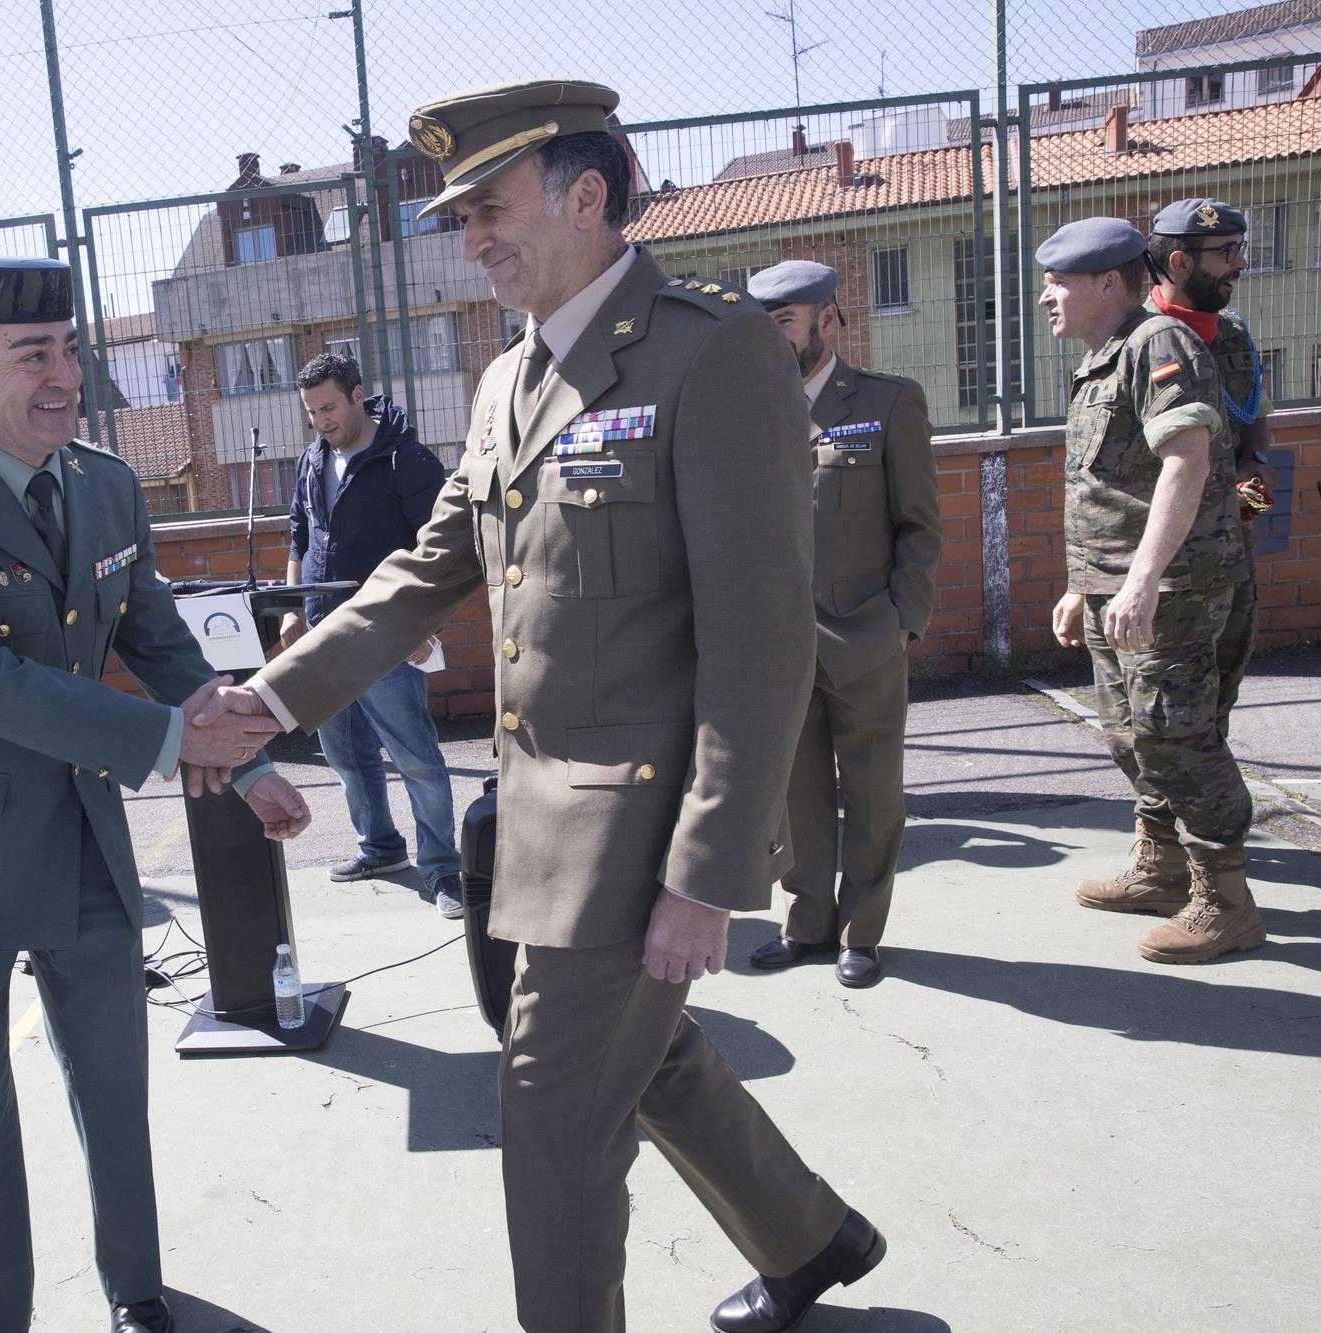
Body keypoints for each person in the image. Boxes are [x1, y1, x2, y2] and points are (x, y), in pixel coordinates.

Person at [200, 82, 880, 1333]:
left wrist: (706, 871)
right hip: (529, 825)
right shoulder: (509, 376)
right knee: (643, 1052)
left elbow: (760, 633)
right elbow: (428, 569)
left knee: (551, 1108)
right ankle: (810, 1233)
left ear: (585, 195)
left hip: (642, 829)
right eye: (461, 218)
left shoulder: (709, 352)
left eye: (489, 209)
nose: (471, 240)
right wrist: (270, 699)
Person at [0, 243, 311, 1333]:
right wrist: (174, 738)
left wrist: (243, 761)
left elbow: (150, 634)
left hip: (77, 830)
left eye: (67, 347)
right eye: (29, 355)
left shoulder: (104, 484)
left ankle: (135, 1289)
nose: (63, 374)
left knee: (113, 1081)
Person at [1040, 217, 1261, 964]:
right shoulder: (1107, 355)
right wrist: (1081, 585)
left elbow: (1185, 464)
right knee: (1132, 737)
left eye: (1058, 282)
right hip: (1113, 587)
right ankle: (1162, 870)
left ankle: (1226, 903)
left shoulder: (1158, 345)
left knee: (1179, 736)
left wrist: (1141, 580)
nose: (1047, 297)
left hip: (1171, 590)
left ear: (1108, 282)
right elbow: (1108, 484)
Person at [743, 260, 940, 989]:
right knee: (794, 794)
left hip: (865, 639)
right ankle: (807, 923)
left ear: (827, 319)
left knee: (873, 791)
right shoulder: (750, 412)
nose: (772, 340)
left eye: (783, 324)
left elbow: (919, 527)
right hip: (782, 648)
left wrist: (903, 621)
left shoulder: (889, 405)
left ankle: (862, 932)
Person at [280, 351, 463, 917]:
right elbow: (298, 538)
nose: (322, 421)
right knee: (346, 756)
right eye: (312, 412)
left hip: (387, 636)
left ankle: (443, 869)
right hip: (320, 632)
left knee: (415, 758)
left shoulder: (407, 462)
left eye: (330, 408)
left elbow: (444, 554)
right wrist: (291, 610)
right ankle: (380, 849)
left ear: (359, 395)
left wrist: (425, 626)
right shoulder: (313, 459)